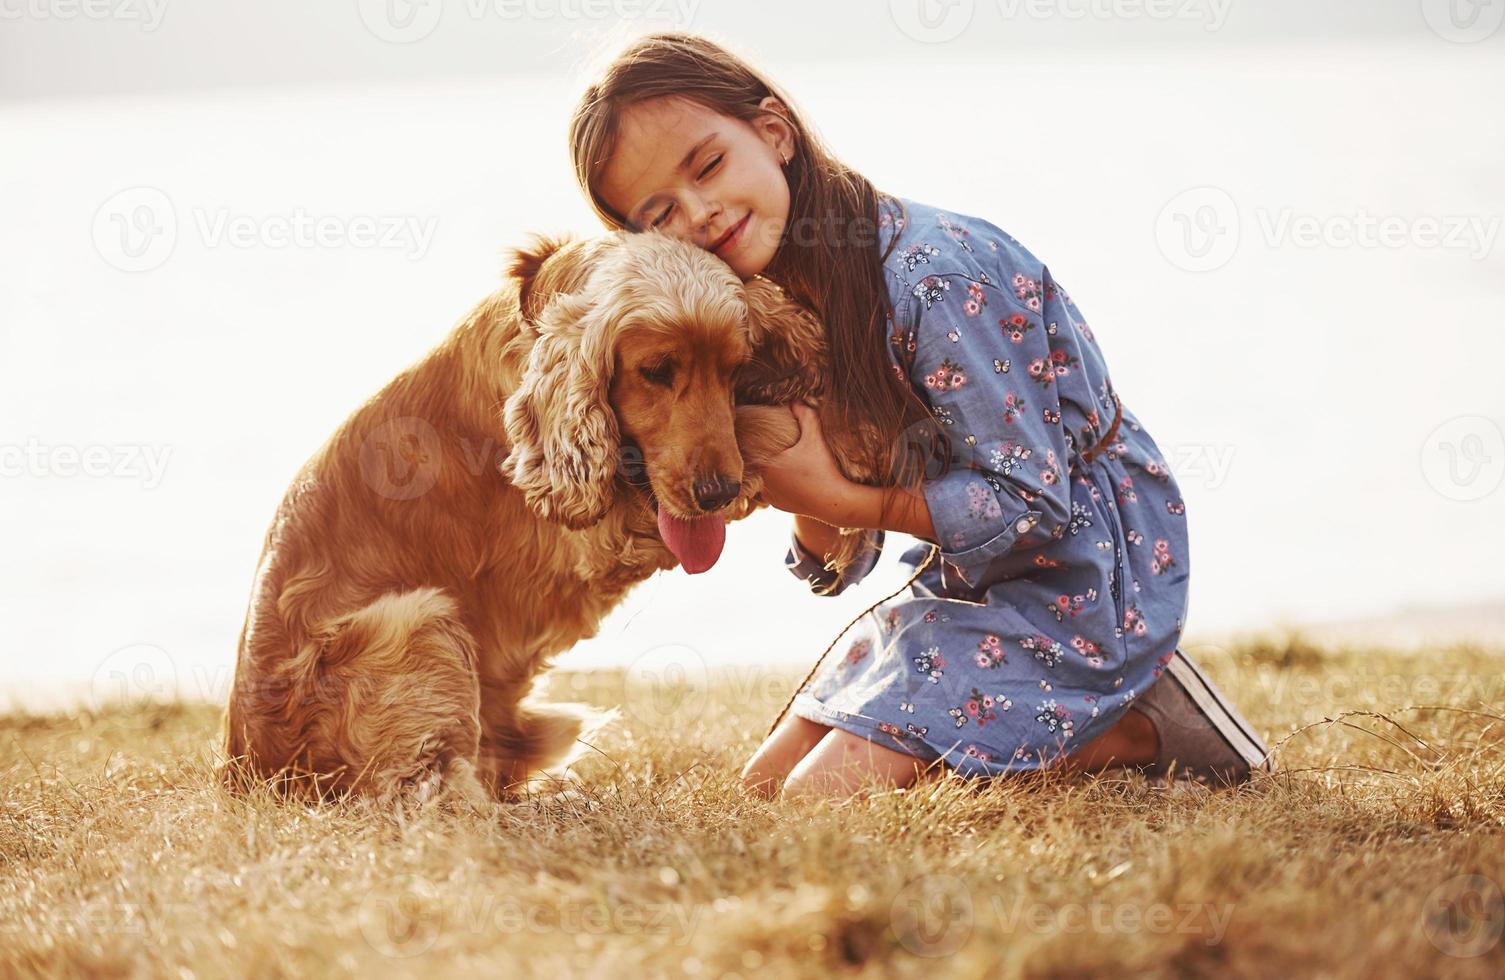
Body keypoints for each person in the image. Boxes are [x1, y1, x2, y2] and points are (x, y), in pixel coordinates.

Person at [569, 31, 1273, 802]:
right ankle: (1063, 708)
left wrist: (841, 500)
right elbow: (845, 543)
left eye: (706, 166)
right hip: (970, 577)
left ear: (773, 132)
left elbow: (1035, 504)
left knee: (818, 800)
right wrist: (811, 504)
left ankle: (1146, 724)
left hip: (1089, 575)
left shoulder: (935, 280)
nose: (699, 213)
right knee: (764, 788)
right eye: (660, 212)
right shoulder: (777, 299)